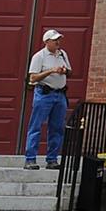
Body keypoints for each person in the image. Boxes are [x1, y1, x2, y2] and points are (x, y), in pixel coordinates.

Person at [23, 27, 71, 170]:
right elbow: (33, 77)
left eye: (59, 40)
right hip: (44, 94)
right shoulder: (39, 56)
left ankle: (52, 159)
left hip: (60, 94)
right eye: (55, 40)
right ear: (47, 41)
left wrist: (64, 71)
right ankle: (30, 159)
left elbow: (70, 71)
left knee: (57, 128)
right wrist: (50, 70)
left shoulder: (62, 54)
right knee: (36, 126)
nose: (58, 42)